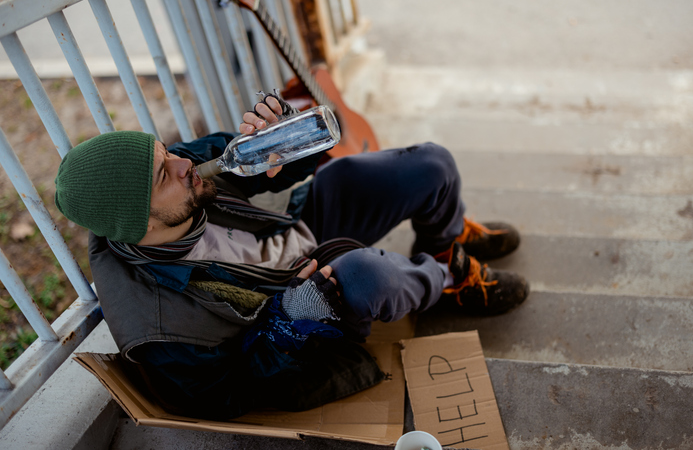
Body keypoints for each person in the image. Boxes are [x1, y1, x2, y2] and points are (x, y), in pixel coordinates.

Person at [54, 92, 529, 420]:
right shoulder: (157, 327)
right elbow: (222, 398)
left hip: (299, 231)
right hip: (299, 309)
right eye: (165, 174)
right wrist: (288, 323)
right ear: (140, 225)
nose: (184, 163)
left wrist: (284, 136)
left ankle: (443, 240)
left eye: (165, 153)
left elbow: (283, 168)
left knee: (429, 163)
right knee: (364, 275)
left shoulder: (176, 178)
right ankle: (448, 279)